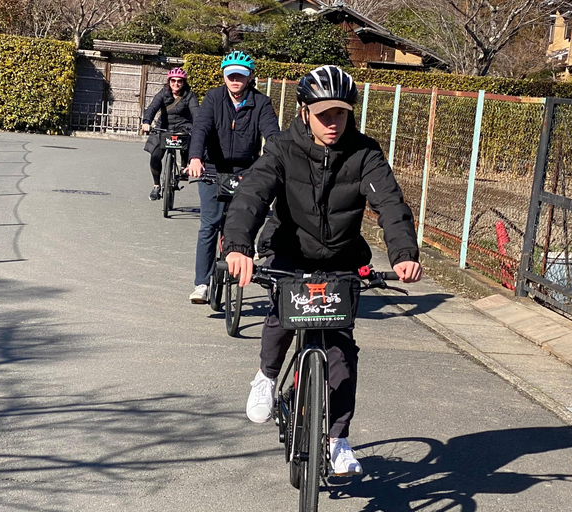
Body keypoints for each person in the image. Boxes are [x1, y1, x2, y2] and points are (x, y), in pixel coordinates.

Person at [222, 65, 423, 476]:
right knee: (281, 317)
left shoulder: (365, 152)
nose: (332, 123)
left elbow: (389, 203)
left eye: (341, 114)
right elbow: (253, 194)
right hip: (290, 253)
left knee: (341, 352)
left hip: (341, 261)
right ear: (303, 112)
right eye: (323, 114)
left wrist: (403, 252)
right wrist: (239, 246)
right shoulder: (281, 148)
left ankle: (337, 439)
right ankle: (266, 375)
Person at [186, 51, 280, 304]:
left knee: (245, 221)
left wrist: (276, 162)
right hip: (213, 169)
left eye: (241, 75)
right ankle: (202, 283)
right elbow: (201, 129)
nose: (235, 79)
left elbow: (272, 134)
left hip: (247, 171)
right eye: (231, 75)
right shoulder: (214, 98)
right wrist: (195, 157)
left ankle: (237, 252)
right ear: (224, 77)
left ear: (250, 78)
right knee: (210, 224)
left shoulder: (261, 102)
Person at [142, 67, 199, 201]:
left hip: (183, 126)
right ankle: (156, 186)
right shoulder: (163, 93)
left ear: (184, 82)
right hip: (164, 127)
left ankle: (184, 168)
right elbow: (152, 108)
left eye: (179, 81)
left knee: (189, 140)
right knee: (155, 155)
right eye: (173, 81)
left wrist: (198, 126)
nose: (176, 84)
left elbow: (196, 112)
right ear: (169, 81)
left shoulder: (189, 95)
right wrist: (146, 122)